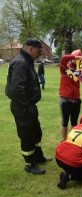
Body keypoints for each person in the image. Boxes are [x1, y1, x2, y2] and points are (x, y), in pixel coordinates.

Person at [5, 38, 51, 175]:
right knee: (26, 135)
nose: (39, 54)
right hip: (22, 107)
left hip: (28, 106)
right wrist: (26, 106)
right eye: (38, 51)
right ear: (31, 49)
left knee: (36, 132)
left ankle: (38, 156)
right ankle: (30, 164)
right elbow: (17, 90)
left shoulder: (26, 61)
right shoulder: (21, 63)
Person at [59, 49, 82, 140]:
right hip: (65, 98)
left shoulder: (80, 67)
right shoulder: (64, 66)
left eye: (79, 61)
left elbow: (81, 75)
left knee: (74, 122)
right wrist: (76, 57)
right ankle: (64, 140)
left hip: (76, 98)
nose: (77, 62)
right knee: (65, 122)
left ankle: (73, 141)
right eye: (76, 60)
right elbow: (64, 58)